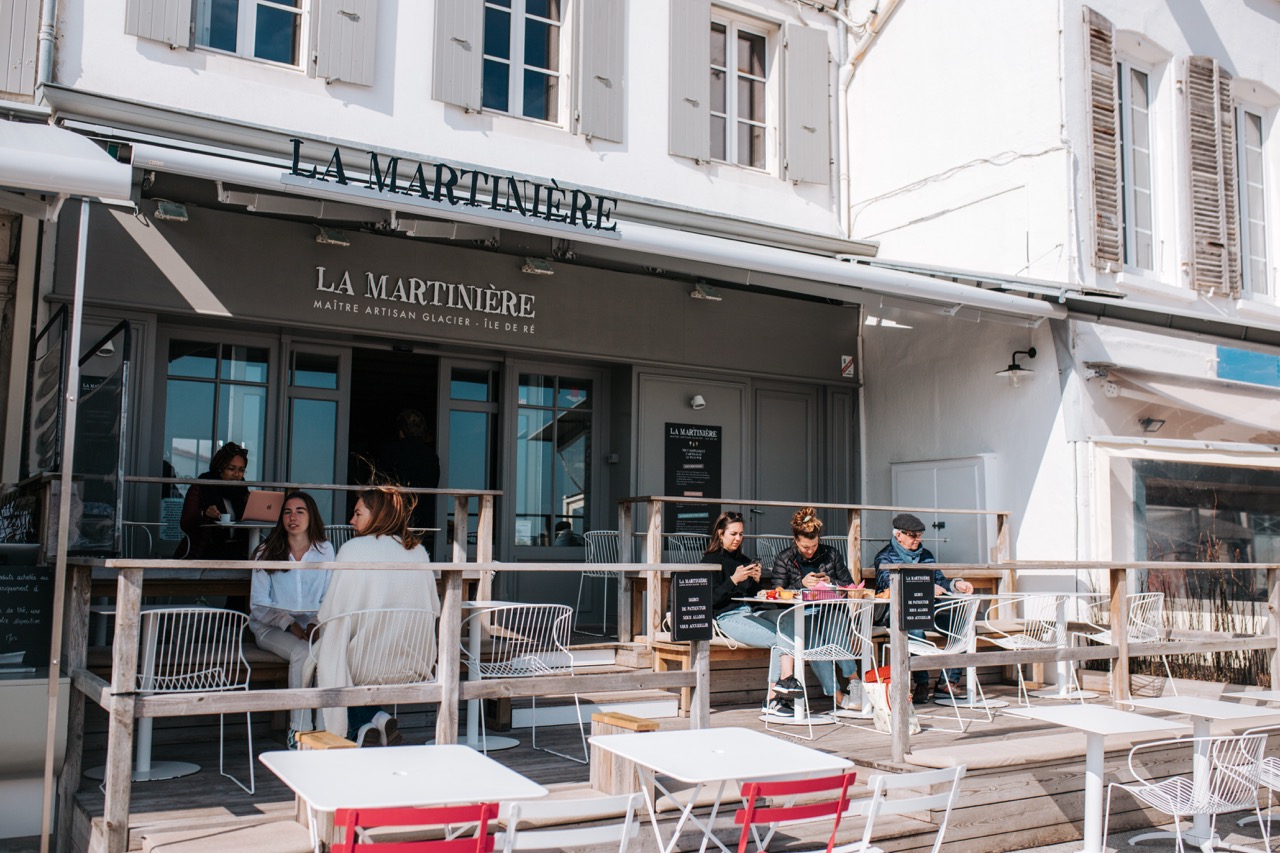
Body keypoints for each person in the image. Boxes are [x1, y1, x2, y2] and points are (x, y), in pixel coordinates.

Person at [307, 487, 439, 746]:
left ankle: (359, 726)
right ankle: (370, 723)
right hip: (416, 661)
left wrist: (315, 622)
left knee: (328, 653)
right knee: (355, 647)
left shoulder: (354, 549)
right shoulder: (418, 552)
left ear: (377, 514)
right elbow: (433, 607)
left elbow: (333, 612)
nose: (351, 520)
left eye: (358, 513)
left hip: (367, 663)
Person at [249, 492, 333, 747]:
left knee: (326, 651)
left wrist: (315, 622)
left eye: (300, 511)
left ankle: (325, 730)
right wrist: (289, 623)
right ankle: (299, 732)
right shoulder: (267, 551)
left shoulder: (325, 550)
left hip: (312, 624)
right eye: (287, 512)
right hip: (269, 626)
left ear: (311, 516)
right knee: (302, 653)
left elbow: (330, 594)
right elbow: (259, 604)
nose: (293, 517)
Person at [701, 511, 800, 717]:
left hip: (750, 612)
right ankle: (775, 697)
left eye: (741, 534)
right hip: (726, 617)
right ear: (720, 533)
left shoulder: (744, 560)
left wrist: (756, 583)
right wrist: (733, 580)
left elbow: (754, 598)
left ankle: (781, 689)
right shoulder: (710, 561)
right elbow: (709, 601)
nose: (738, 538)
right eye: (733, 534)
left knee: (788, 622)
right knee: (777, 639)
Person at [873, 512, 975, 704]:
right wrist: (926, 588)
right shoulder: (885, 557)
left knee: (962, 626)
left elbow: (940, 582)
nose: (917, 540)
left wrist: (956, 585)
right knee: (915, 627)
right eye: (913, 535)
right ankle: (921, 683)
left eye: (920, 535)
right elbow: (890, 587)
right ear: (899, 535)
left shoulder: (926, 555)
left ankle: (947, 683)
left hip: (929, 610)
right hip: (896, 613)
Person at [770, 507, 859, 711]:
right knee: (812, 640)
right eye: (805, 547)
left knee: (835, 625)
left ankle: (854, 681)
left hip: (830, 609)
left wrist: (832, 582)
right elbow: (778, 594)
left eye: (814, 545)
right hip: (803, 612)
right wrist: (801, 584)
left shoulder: (831, 554)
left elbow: (850, 586)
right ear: (795, 540)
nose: (810, 550)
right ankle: (836, 694)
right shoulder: (784, 558)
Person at [179, 442, 251, 560]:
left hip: (238, 554)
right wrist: (204, 513)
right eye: (231, 469)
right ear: (219, 468)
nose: (237, 474)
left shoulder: (243, 492)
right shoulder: (202, 485)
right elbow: (186, 522)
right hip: (203, 554)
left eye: (241, 470)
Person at [375, 409, 440, 530]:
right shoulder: (431, 456)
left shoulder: (391, 452)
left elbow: (381, 483)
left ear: (401, 431)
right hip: (424, 520)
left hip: (395, 517)